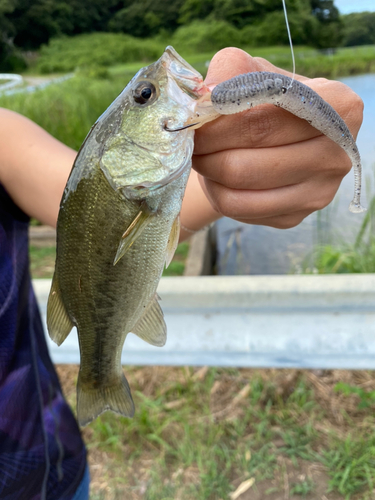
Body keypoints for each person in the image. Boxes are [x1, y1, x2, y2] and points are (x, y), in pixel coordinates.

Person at [0, 48, 363, 499]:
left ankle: (99, 375)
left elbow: (163, 202)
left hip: (51, 475)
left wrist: (244, 177)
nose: (157, 83)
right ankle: (101, 377)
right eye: (146, 95)